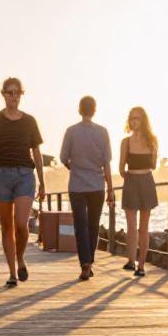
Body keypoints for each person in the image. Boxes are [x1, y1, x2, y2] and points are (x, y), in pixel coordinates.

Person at [0, 77, 45, 287]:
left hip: (25, 175)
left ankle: (20, 258)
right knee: (7, 227)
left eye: (17, 92)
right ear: (3, 94)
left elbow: (36, 151)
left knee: (21, 224)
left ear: (21, 95)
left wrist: (42, 182)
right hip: (1, 175)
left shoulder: (29, 121)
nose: (13, 95)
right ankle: (12, 272)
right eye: (9, 92)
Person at [60, 95, 113, 281]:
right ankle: (89, 260)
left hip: (77, 186)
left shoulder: (71, 132)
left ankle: (85, 263)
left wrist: (73, 167)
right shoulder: (103, 132)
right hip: (97, 185)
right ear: (94, 110)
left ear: (79, 110)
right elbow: (107, 164)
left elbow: (63, 158)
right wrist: (111, 189)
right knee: (93, 225)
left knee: (80, 225)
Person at [119, 106, 158, 277]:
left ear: (143, 121)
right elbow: (121, 168)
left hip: (147, 181)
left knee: (144, 227)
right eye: (132, 118)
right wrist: (130, 178)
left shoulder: (152, 140)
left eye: (138, 118)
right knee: (131, 226)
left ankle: (141, 265)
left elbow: (153, 166)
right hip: (131, 181)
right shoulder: (125, 142)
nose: (134, 121)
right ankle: (131, 260)